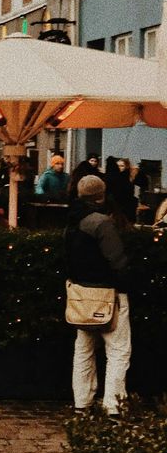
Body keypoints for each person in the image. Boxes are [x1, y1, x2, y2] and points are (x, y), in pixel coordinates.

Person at [66, 175, 131, 416]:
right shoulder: (101, 223)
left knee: (83, 349)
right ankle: (113, 405)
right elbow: (117, 260)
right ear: (101, 195)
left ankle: (82, 401)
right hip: (107, 293)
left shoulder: (72, 220)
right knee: (117, 350)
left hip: (81, 293)